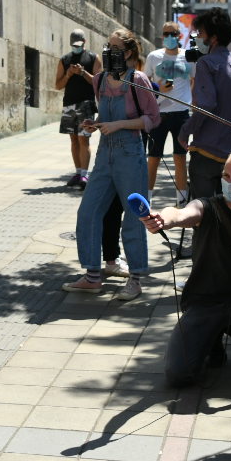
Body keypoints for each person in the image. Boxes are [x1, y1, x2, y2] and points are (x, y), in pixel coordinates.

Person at [139, 150, 231, 386]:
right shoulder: (209, 205)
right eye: (225, 175)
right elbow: (181, 213)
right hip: (206, 302)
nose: (229, 182)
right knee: (179, 374)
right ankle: (211, 340)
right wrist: (162, 219)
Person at [62, 29, 160, 302]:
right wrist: (93, 125)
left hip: (130, 153)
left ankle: (136, 278)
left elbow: (153, 118)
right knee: (88, 212)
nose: (108, 50)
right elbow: (102, 114)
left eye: (115, 47)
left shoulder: (138, 79)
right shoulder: (101, 80)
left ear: (128, 53)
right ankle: (92, 276)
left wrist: (118, 125)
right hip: (105, 156)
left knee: (135, 216)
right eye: (107, 45)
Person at [180, 7, 231, 201]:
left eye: (202, 33)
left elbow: (206, 104)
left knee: (203, 212)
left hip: (207, 152)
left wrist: (185, 131)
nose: (199, 38)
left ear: (213, 37)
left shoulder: (206, 63)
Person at [143, 20, 193, 203]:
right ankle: (146, 199)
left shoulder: (188, 57)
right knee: (153, 158)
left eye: (173, 34)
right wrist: (158, 89)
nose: (170, 37)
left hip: (181, 113)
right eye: (166, 34)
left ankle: (181, 199)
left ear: (180, 36)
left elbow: (194, 81)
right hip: (159, 114)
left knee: (180, 157)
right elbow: (143, 83)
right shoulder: (153, 57)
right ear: (162, 36)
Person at [56, 30, 98, 187]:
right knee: (73, 139)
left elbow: (97, 82)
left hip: (86, 104)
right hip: (69, 104)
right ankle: (78, 172)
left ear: (84, 42)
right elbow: (58, 85)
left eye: (79, 45)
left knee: (83, 139)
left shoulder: (93, 58)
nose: (76, 47)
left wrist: (82, 72)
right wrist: (68, 74)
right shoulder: (65, 59)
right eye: (74, 45)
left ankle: (85, 175)